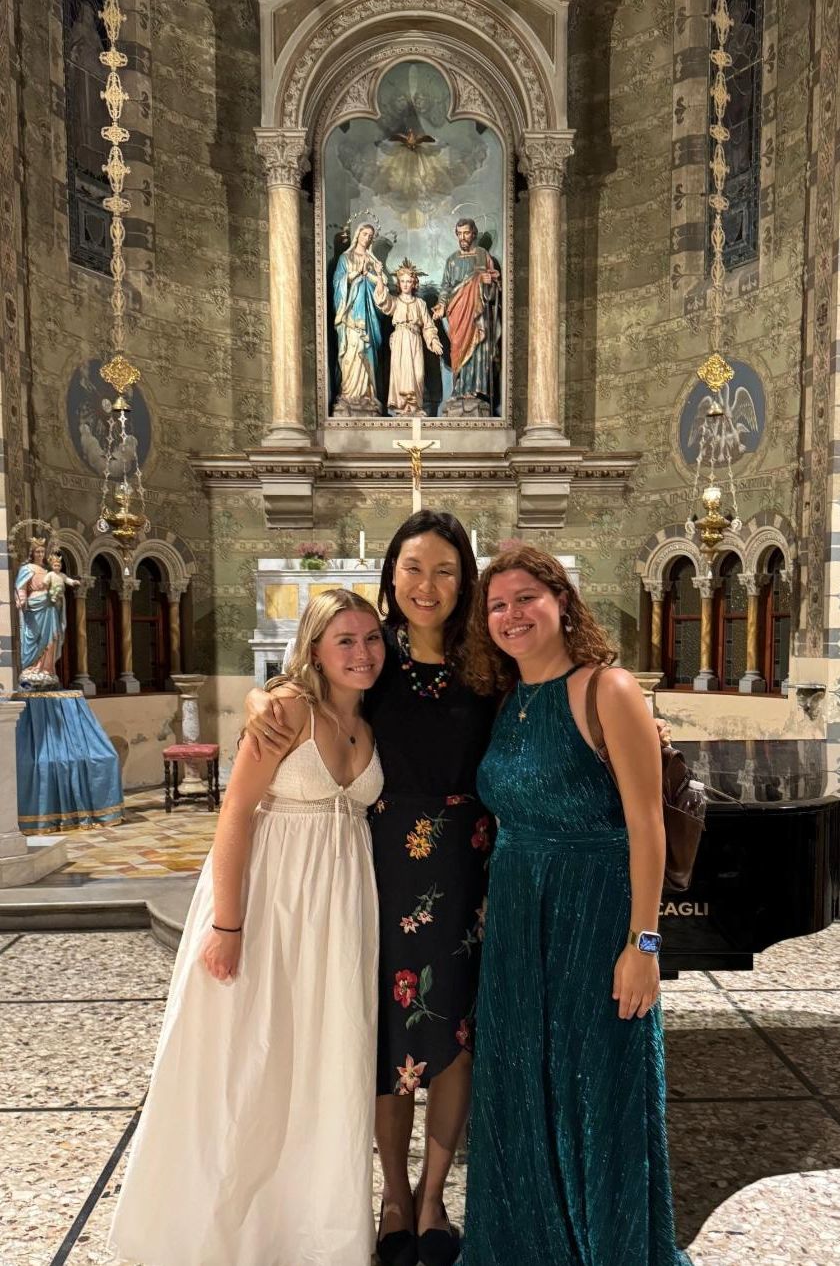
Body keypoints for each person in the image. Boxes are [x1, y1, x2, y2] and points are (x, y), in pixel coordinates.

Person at [245, 511, 496, 1266]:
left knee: (452, 1040)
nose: (429, 584)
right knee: (389, 1038)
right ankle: (390, 1194)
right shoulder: (372, 654)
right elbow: (302, 689)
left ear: (466, 579)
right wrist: (263, 701)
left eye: (446, 569)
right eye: (414, 567)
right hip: (378, 864)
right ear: (390, 575)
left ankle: (432, 1197)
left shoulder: (489, 660)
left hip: (466, 867)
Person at [109, 589, 386, 1266]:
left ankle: (311, 1231)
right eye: (344, 639)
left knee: (325, 1061)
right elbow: (234, 815)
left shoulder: (376, 719)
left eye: (372, 637)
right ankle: (222, 1229)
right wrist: (227, 924)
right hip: (269, 904)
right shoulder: (289, 710)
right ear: (315, 648)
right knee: (250, 1062)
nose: (362, 652)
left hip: (340, 909)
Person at [459, 545, 690, 1266]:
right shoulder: (507, 701)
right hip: (518, 920)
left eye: (526, 596)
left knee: (601, 1089)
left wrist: (644, 944)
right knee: (522, 1085)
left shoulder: (607, 688)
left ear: (562, 600)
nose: (511, 614)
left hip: (597, 915)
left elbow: (647, 824)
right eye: (497, 604)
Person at [432, 218, 500, 411]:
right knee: (458, 348)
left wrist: (488, 282)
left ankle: (474, 390)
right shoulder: (452, 260)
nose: (463, 237)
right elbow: (445, 287)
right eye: (459, 233)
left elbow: (494, 289)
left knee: (477, 348)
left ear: (474, 234)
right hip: (458, 312)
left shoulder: (482, 255)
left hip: (477, 313)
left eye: (466, 233)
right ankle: (459, 389)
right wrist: (440, 305)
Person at [375, 257, 443, 414]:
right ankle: (404, 408)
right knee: (401, 374)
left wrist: (433, 340)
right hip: (400, 339)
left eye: (408, 281)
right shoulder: (395, 301)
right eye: (403, 281)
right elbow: (381, 300)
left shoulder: (420, 304)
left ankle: (415, 406)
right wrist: (379, 276)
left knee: (418, 375)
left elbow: (428, 326)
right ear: (399, 283)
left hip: (415, 340)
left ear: (414, 283)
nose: (406, 284)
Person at [333, 222, 386, 412]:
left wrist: (375, 275)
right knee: (352, 352)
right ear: (358, 235)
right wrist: (355, 274)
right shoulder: (345, 258)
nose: (368, 238)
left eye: (371, 236)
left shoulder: (373, 261)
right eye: (365, 234)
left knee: (367, 350)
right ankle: (349, 394)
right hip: (350, 315)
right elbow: (338, 284)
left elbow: (381, 293)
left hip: (368, 316)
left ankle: (367, 394)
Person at [14, 538, 77, 686]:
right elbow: (20, 586)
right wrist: (21, 599)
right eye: (37, 551)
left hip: (50, 606)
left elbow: (58, 582)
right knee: (33, 636)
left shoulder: (48, 570)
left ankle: (47, 669)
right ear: (32, 553)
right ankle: (31, 667)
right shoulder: (26, 568)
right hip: (34, 608)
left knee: (52, 636)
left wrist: (58, 594)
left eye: (42, 551)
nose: (40, 554)